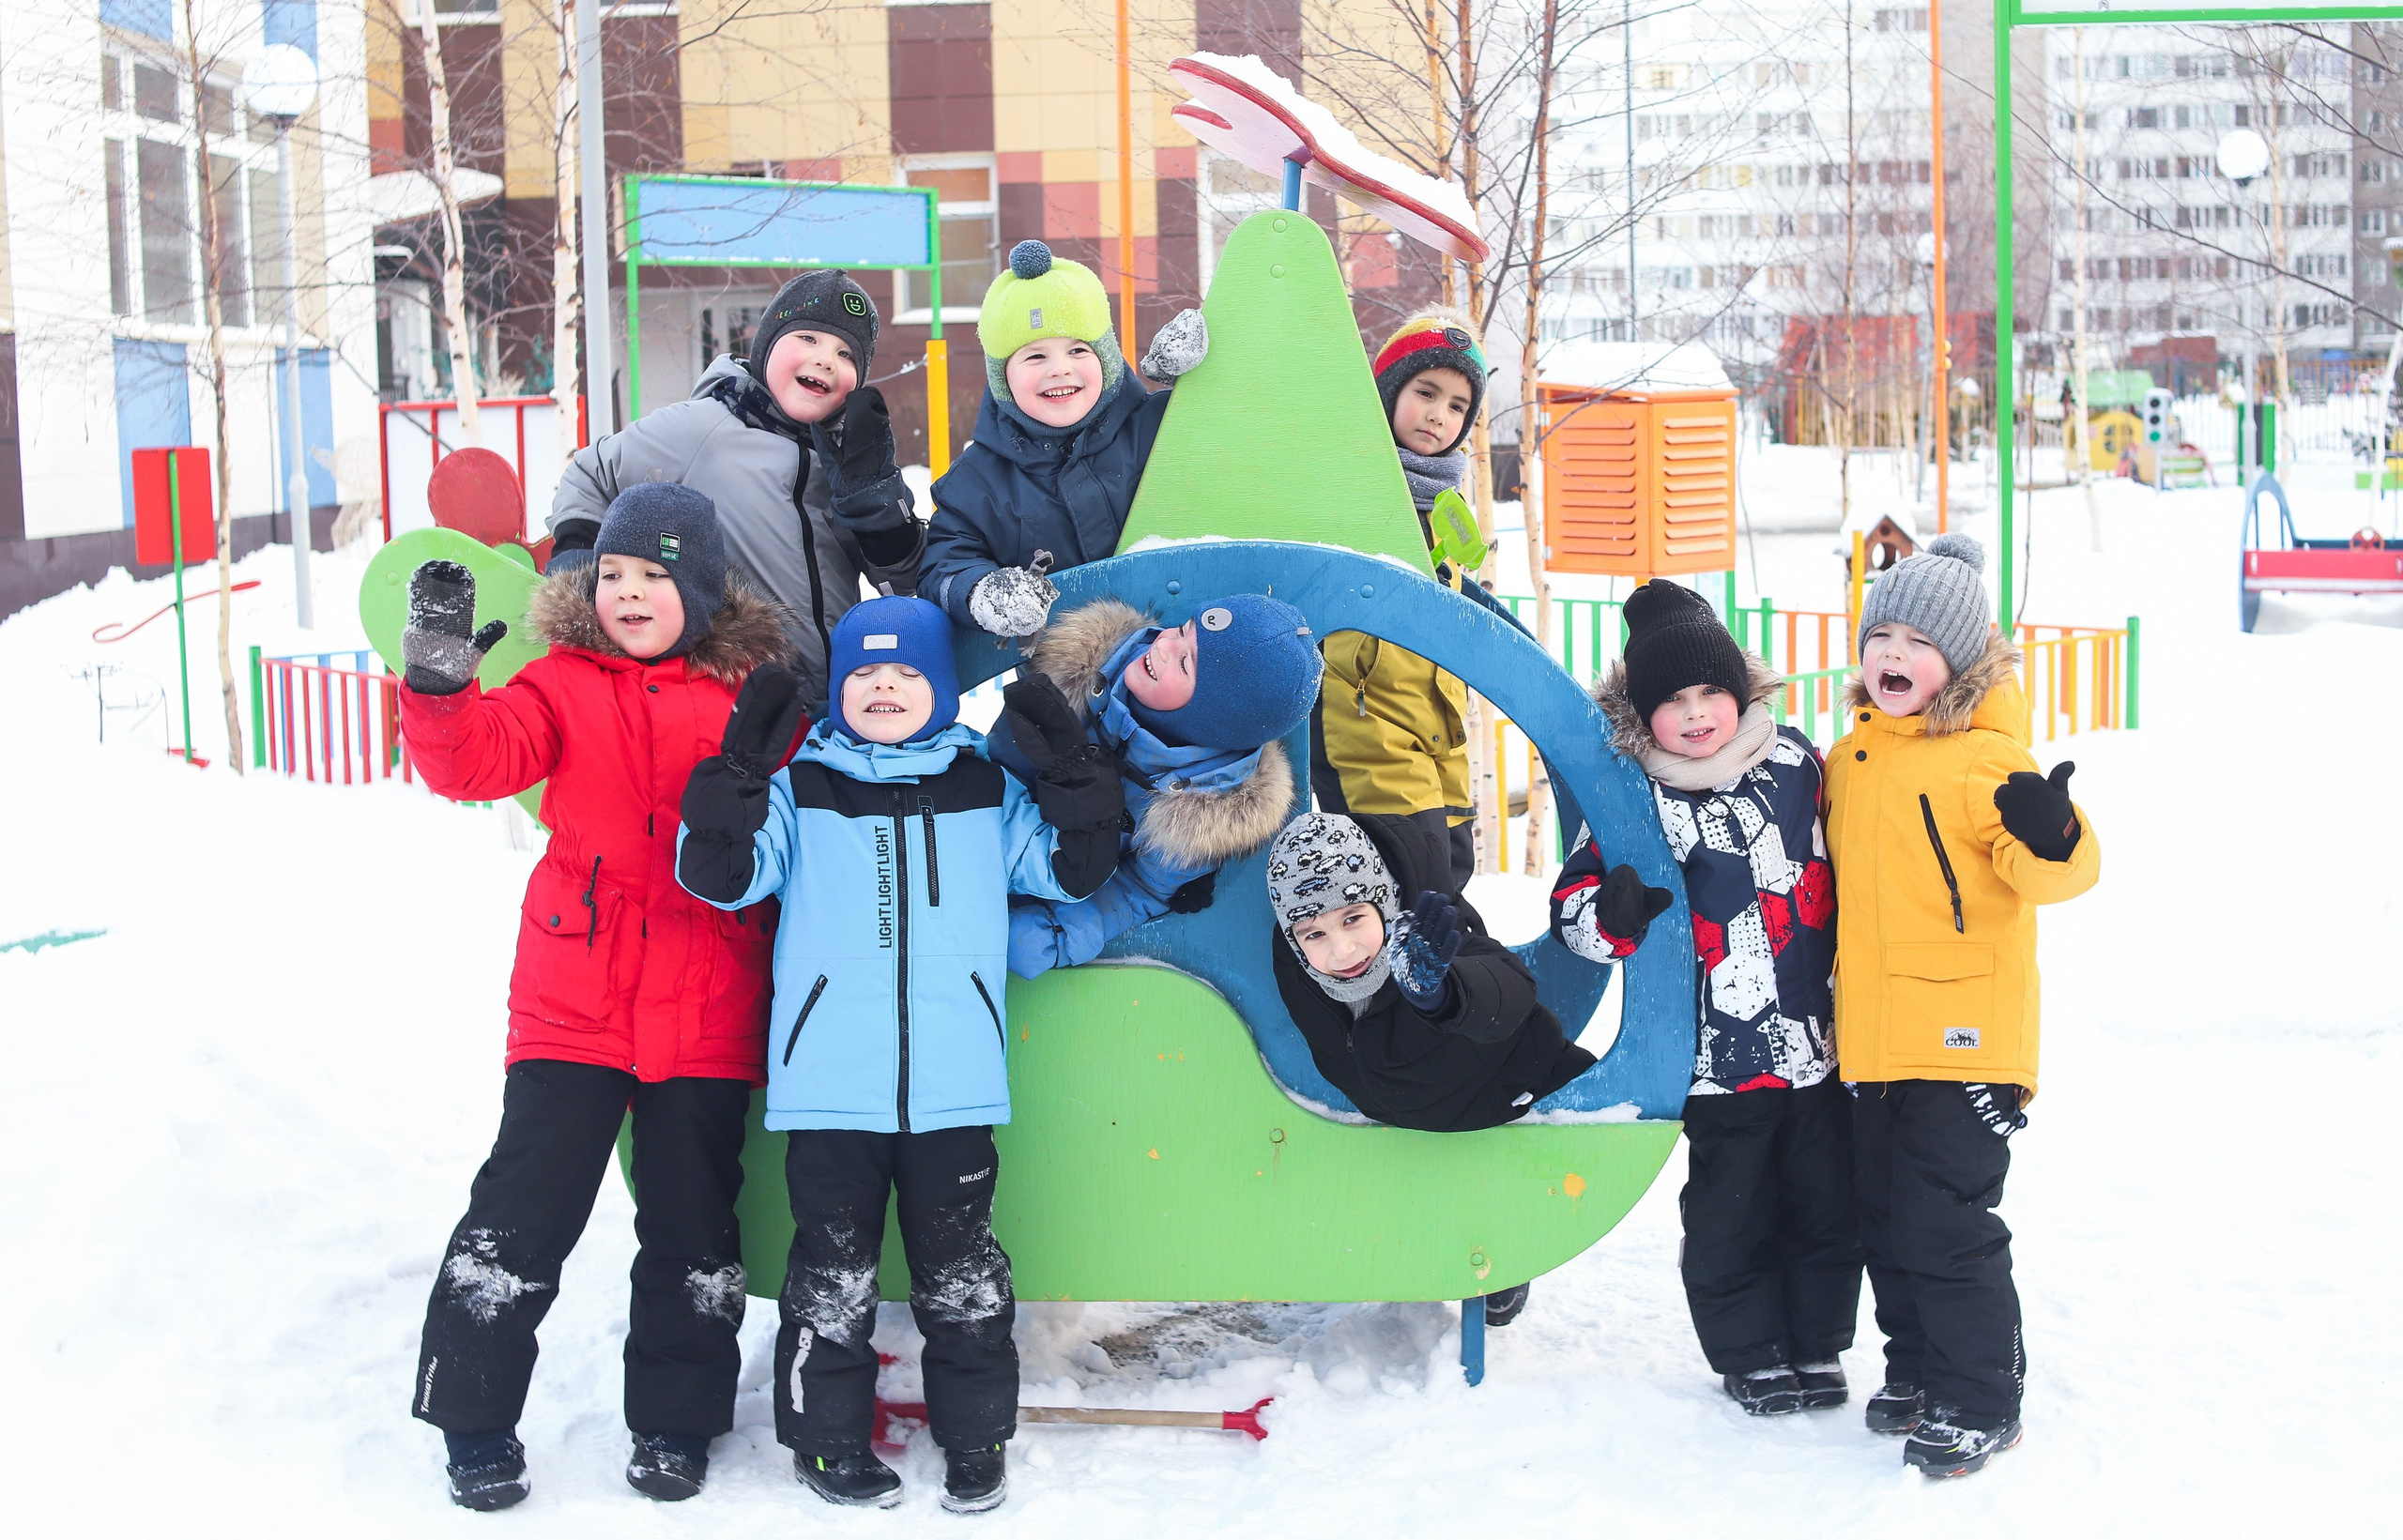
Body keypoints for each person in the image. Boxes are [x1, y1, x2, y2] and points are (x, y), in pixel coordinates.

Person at [674, 596, 1127, 1515]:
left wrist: (1073, 778)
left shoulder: (981, 788)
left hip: (954, 1087)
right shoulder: (803, 789)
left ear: (943, 691)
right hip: (830, 1086)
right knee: (830, 1273)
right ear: (840, 691)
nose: (886, 686)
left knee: (962, 1272)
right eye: (867, 674)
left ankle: (976, 1439)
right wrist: (734, 779)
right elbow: (718, 878)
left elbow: (1070, 870)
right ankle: (826, 1442)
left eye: (909, 673)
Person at [399, 484, 797, 1510]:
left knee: (693, 1229)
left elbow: (803, 831)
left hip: (709, 999)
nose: (628, 593)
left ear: (701, 593)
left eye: (655, 577)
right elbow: (474, 764)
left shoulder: (751, 698)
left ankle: (677, 1425)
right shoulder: (560, 684)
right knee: (521, 1214)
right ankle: (473, 1421)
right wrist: (441, 688)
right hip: (574, 996)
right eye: (614, 573)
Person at [1825, 533, 2100, 1477]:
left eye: (1918, 641)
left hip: (1965, 1039)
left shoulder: (1987, 760)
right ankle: (1916, 1370)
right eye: (1880, 637)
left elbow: (2049, 872)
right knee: (1885, 1220)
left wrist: (2053, 832)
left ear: (1964, 662)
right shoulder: (1849, 759)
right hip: (1871, 1040)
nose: (1893, 657)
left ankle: (1981, 1397)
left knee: (1945, 1224)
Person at [1558, 579, 1857, 1417]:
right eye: (1673, 700)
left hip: (1815, 1046)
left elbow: (1860, 852)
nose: (1695, 714)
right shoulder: (1632, 796)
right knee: (1732, 1214)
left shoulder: (1796, 765)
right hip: (1715, 1060)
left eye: (1710, 692)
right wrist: (1607, 914)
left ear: (1739, 691)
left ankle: (1816, 1341)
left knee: (1826, 1207)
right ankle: (1750, 1349)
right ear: (1643, 711)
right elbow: (1575, 915)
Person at [1266, 810, 1599, 1325]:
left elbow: (1508, 987)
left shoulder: (1428, 942)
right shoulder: (1300, 972)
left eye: (1353, 918)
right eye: (1314, 933)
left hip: (1505, 1098)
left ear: (1384, 902)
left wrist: (1442, 994)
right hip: (1411, 1112)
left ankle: (1506, 1265)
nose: (1341, 949)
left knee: (1490, 1193)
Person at [547, 268, 923, 717]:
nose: (825, 359)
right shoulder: (704, 426)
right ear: (765, 345)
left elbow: (901, 585)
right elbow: (592, 472)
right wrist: (580, 566)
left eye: (846, 354)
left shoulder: (850, 458)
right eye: (807, 338)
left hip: (834, 704)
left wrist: (877, 505)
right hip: (727, 696)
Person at [995, 594, 1322, 978]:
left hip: (1046, 894)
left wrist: (1055, 932)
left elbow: (1142, 888)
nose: (1164, 647)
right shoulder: (1081, 674)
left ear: (1214, 719)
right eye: (1183, 630)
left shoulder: (1204, 807)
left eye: (1185, 663)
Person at [1313, 311, 1514, 889]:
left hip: (1437, 721)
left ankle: (1447, 976)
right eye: (1426, 392)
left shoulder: (1444, 504)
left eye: (1457, 406)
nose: (1438, 415)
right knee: (1409, 875)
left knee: (1454, 868)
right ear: (1388, 391)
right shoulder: (1354, 487)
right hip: (1364, 719)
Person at [920, 239, 1208, 637]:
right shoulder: (979, 481)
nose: (1059, 369)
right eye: (1035, 356)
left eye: (1077, 350)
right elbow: (944, 563)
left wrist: (1202, 381)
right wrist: (982, 591)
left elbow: (1242, 434)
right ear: (1002, 379)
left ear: (1106, 359)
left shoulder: (1156, 426)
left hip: (1185, 650)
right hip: (1062, 684)